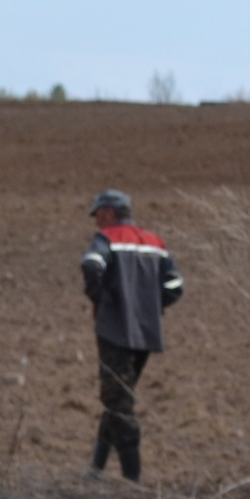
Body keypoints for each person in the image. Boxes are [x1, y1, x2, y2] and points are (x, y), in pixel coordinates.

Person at [79, 189, 182, 482]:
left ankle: (131, 483)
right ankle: (94, 471)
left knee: (119, 404)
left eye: (98, 214)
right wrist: (149, 307)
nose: (97, 222)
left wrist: (101, 298)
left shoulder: (106, 239)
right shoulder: (155, 242)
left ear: (110, 213)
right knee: (118, 398)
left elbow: (91, 264)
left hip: (115, 332)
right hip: (146, 335)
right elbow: (176, 285)